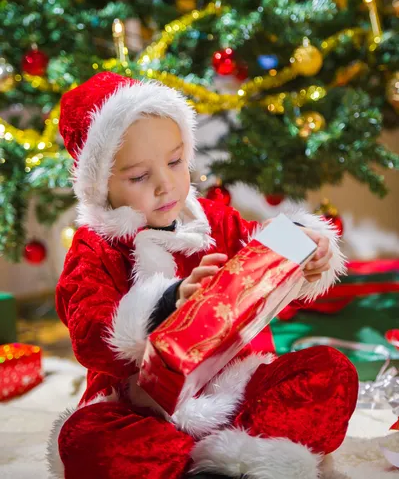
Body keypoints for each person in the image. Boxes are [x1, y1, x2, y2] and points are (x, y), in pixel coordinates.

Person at [47, 72, 358, 479]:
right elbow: (90, 333)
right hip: (142, 407)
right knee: (84, 441)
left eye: (176, 162)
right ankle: (189, 461)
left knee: (331, 372)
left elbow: (262, 252)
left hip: (236, 388)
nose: (165, 185)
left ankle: (240, 454)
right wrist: (166, 305)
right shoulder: (95, 247)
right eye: (139, 177)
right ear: (100, 184)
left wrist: (305, 251)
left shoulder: (210, 219)